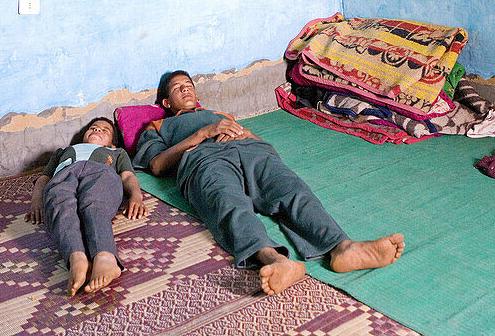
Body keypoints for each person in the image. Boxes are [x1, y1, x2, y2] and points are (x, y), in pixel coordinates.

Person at [133, 70, 404, 296]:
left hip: (251, 151)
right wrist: (204, 133)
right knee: (230, 205)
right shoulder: (158, 126)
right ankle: (276, 260)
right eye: (177, 88)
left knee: (292, 190)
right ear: (167, 102)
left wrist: (247, 135)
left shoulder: (219, 113)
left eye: (189, 85)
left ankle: (342, 247)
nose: (185, 90)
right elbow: (156, 165)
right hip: (204, 161)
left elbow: (254, 138)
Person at [26, 117, 149, 296]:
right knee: (59, 203)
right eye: (93, 128)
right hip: (64, 174)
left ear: (112, 144)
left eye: (105, 130)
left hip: (101, 172)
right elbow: (45, 178)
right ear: (83, 136)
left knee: (94, 203)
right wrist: (37, 200)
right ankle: (76, 257)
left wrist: (136, 195)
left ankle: (105, 257)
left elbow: (128, 176)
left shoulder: (116, 153)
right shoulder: (64, 151)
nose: (98, 131)